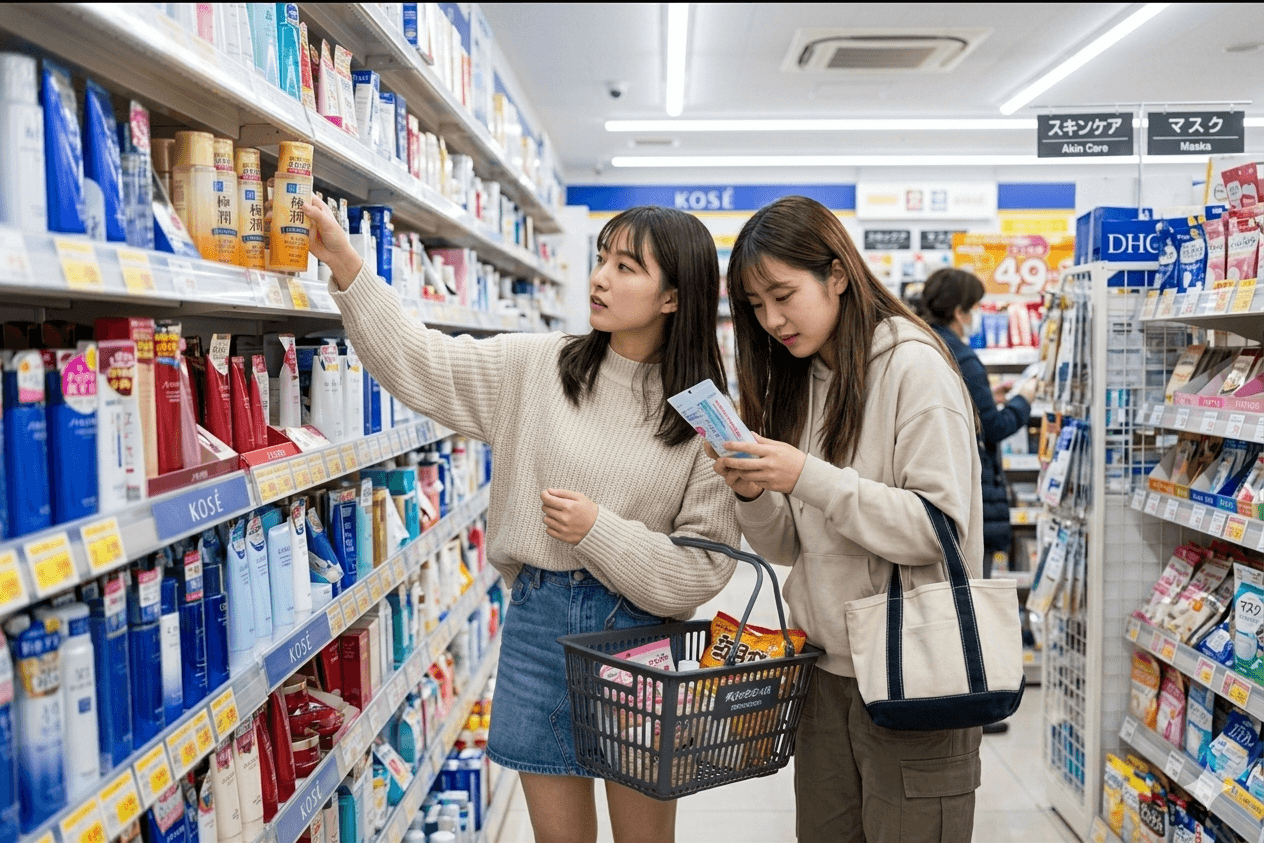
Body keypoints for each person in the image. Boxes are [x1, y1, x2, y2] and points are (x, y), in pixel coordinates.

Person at [303, 198, 740, 843]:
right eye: (600, 259)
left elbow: (703, 567)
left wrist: (599, 530)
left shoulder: (702, 416)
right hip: (539, 629)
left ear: (674, 297)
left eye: (626, 267)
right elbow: (421, 361)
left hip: (640, 643)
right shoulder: (540, 367)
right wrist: (346, 262)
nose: (598, 278)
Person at [706, 196, 983, 843]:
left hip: (915, 672)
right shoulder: (804, 382)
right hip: (825, 673)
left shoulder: (915, 367)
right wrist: (755, 492)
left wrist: (808, 474)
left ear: (837, 273)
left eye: (782, 294)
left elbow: (937, 529)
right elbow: (788, 545)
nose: (772, 320)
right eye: (754, 306)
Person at [916, 267, 1035, 579]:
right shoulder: (962, 357)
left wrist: (986, 396)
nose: (977, 314)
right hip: (969, 492)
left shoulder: (923, 344)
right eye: (976, 307)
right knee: (970, 589)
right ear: (960, 312)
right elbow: (993, 427)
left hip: (932, 483)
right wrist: (1024, 399)